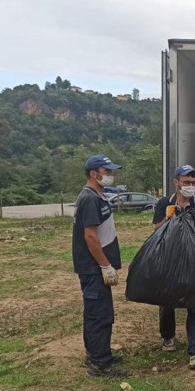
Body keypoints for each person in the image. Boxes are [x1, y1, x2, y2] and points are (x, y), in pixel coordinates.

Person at [151, 164, 195, 370]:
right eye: (186, 182)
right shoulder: (164, 203)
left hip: (193, 259)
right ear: (176, 182)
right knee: (167, 299)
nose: (190, 186)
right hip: (169, 258)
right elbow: (156, 230)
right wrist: (166, 218)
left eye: (194, 183)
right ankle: (168, 336)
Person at [72, 154, 127, 378]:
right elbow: (90, 237)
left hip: (97, 267)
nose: (111, 176)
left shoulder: (98, 196)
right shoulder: (89, 199)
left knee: (98, 312)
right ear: (94, 174)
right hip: (94, 268)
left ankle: (96, 352)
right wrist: (105, 265)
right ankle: (100, 363)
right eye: (107, 172)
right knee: (99, 314)